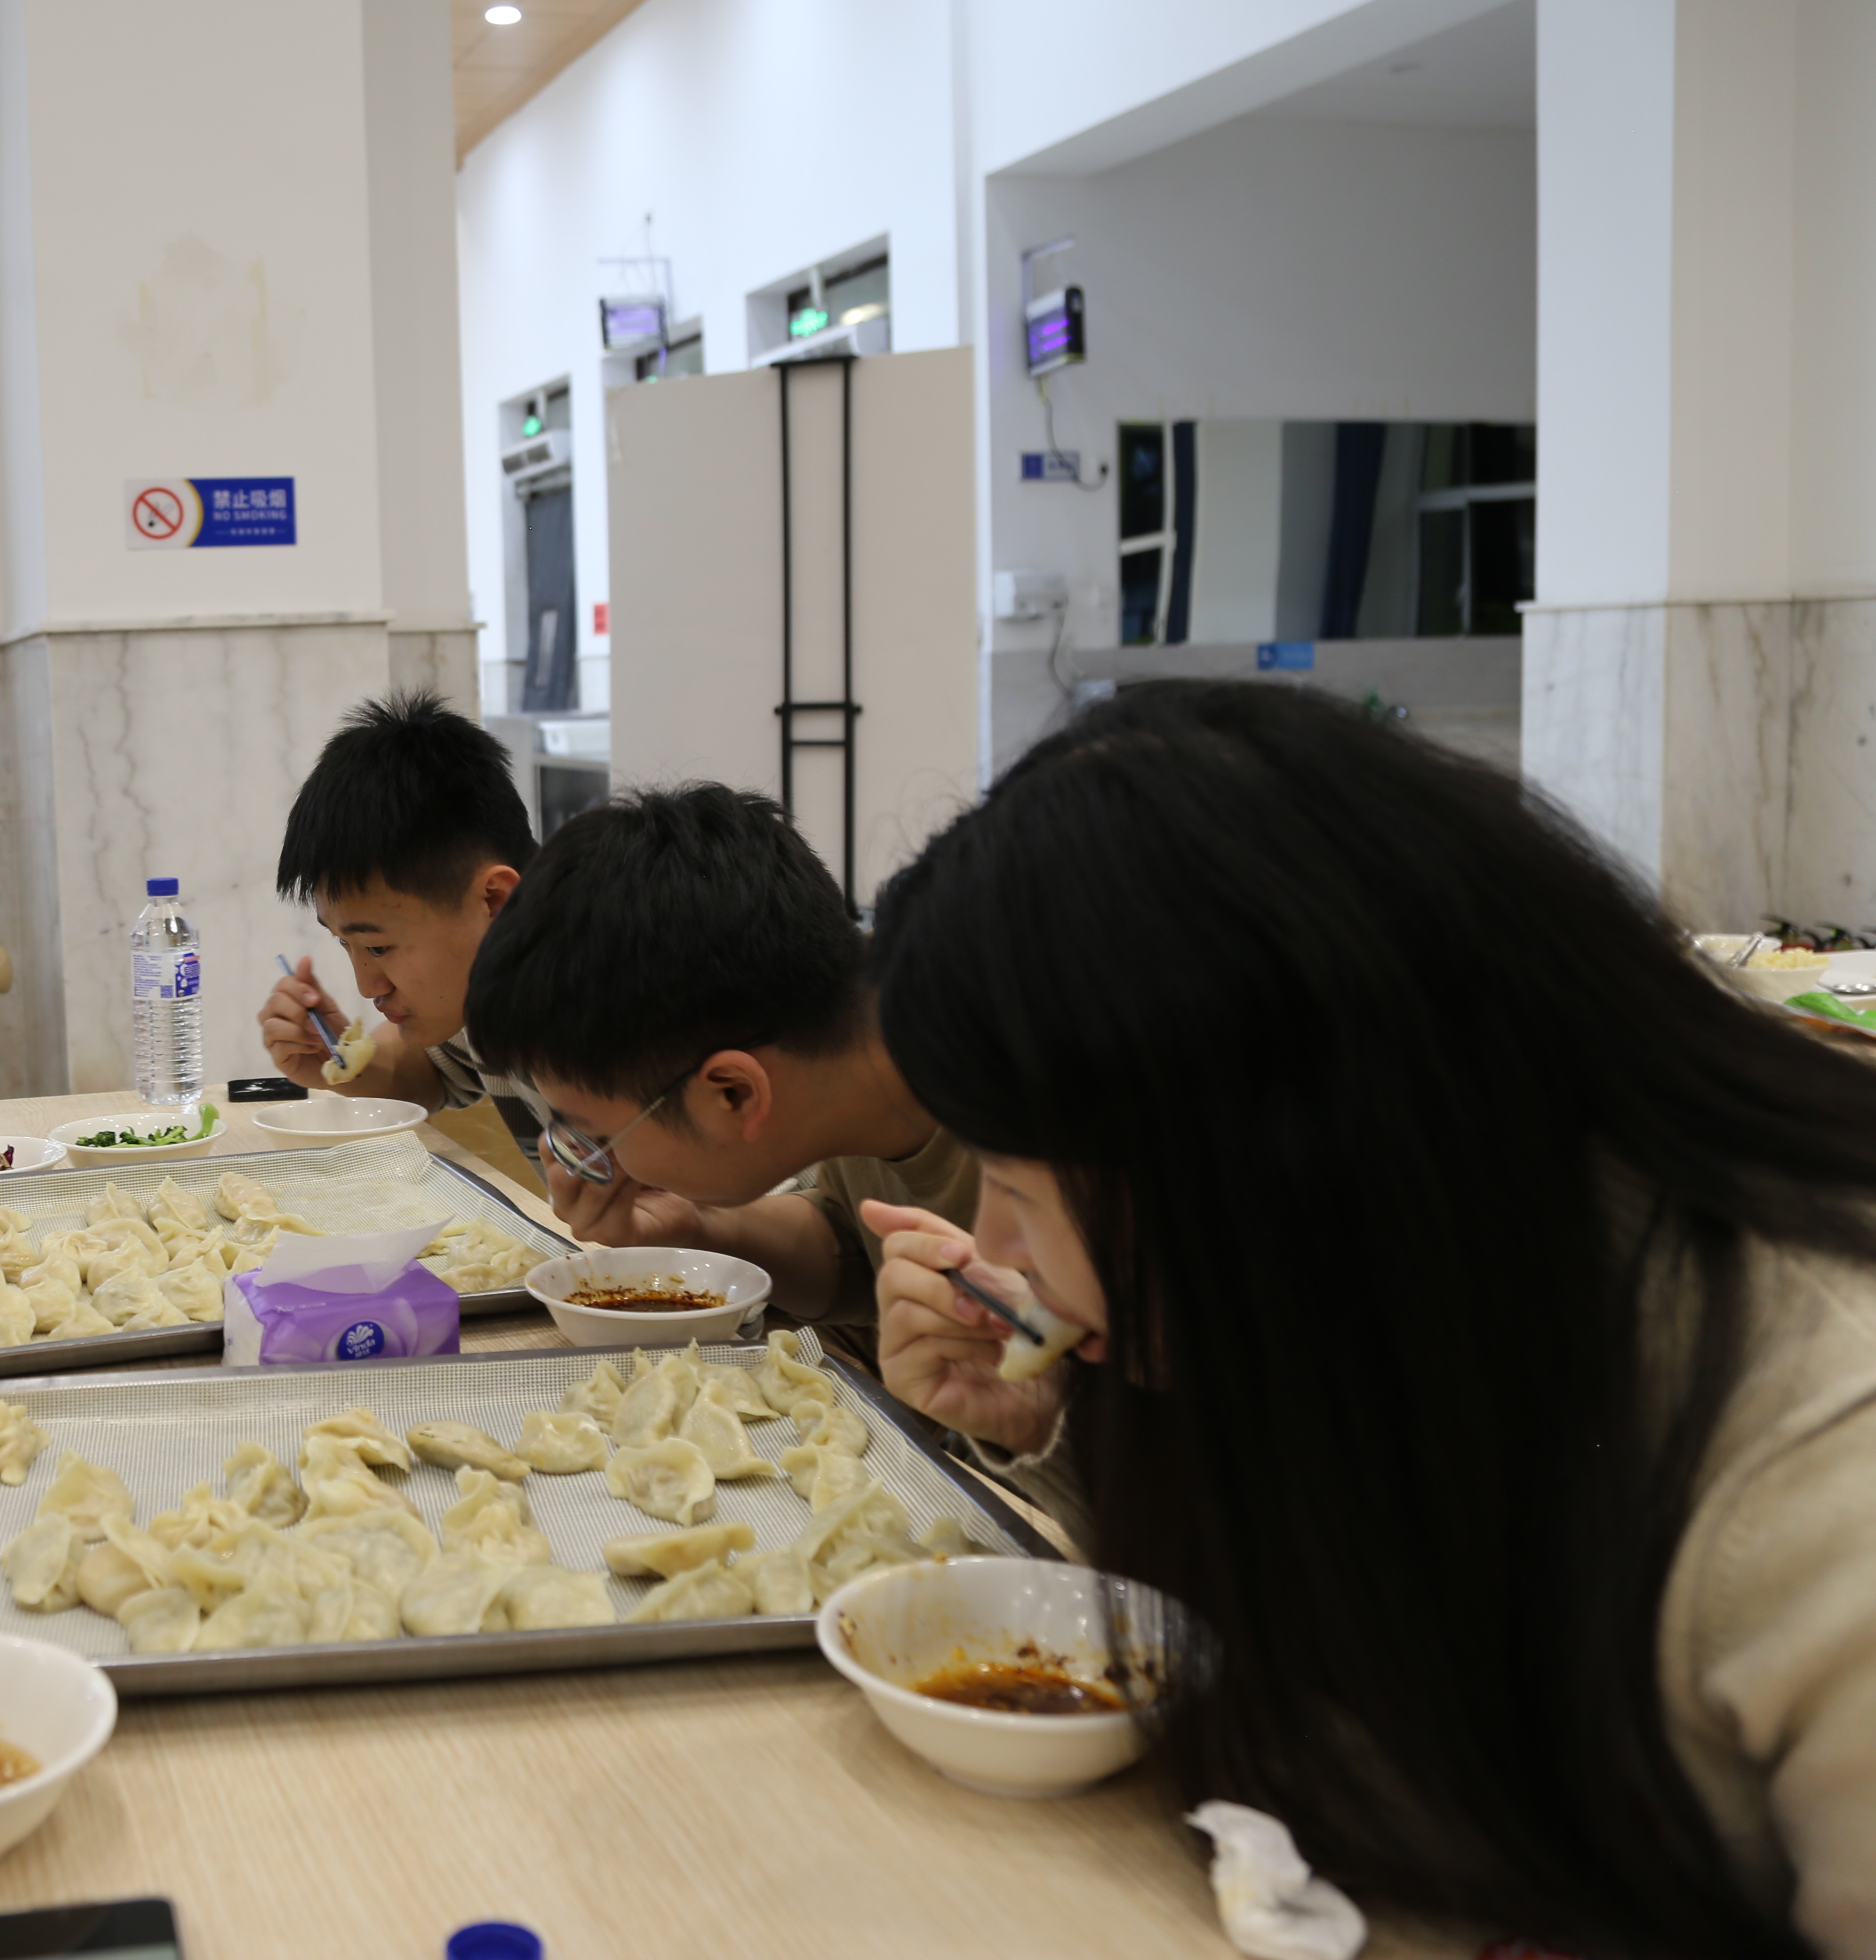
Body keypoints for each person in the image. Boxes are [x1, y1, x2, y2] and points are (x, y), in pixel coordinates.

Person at [868, 679, 1876, 1958]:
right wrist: (1064, 1425)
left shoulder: (1823, 1459)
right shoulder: (1398, 1281)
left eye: (1015, 1183)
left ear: (1264, 1152)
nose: (994, 1246)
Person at [461, 782, 971, 1346]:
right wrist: (698, 1226)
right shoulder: (848, 1041)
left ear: (734, 1093)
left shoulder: (1016, 1101)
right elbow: (856, 1250)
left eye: (598, 1138)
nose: (594, 1161)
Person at [257, 691, 546, 1159]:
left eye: (377, 948)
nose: (368, 987)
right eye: (344, 944)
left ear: (493, 899)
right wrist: (340, 1063)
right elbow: (426, 1073)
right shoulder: (485, 988)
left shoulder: (614, 1000)